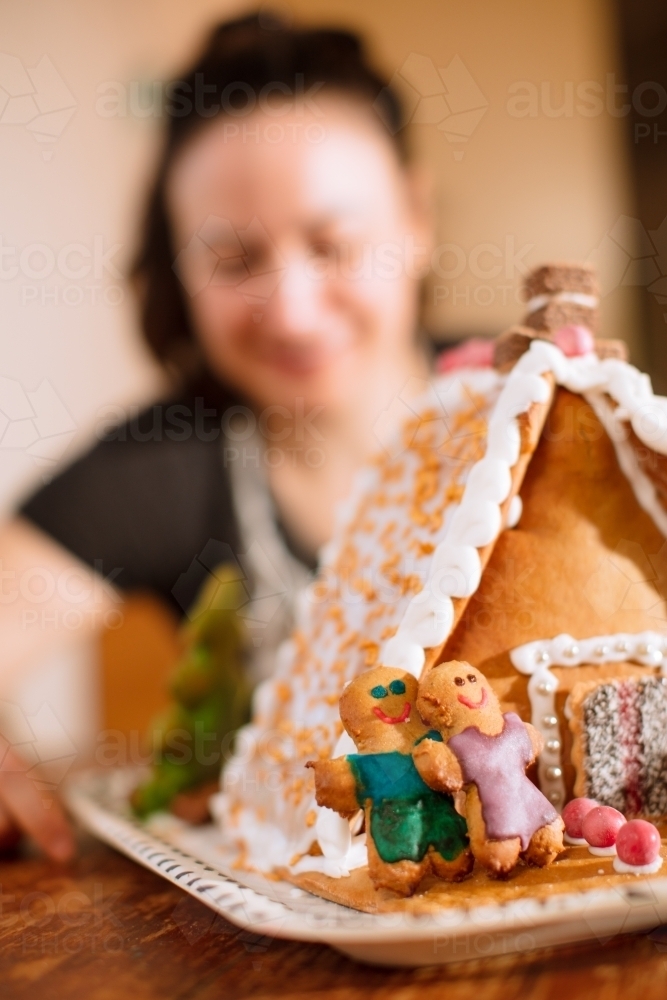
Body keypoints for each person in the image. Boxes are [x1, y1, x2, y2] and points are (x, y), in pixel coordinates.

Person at [0, 12, 442, 859]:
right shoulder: (163, 462)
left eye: (333, 244)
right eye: (234, 262)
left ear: (414, 219)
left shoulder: (540, 403)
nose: (293, 310)